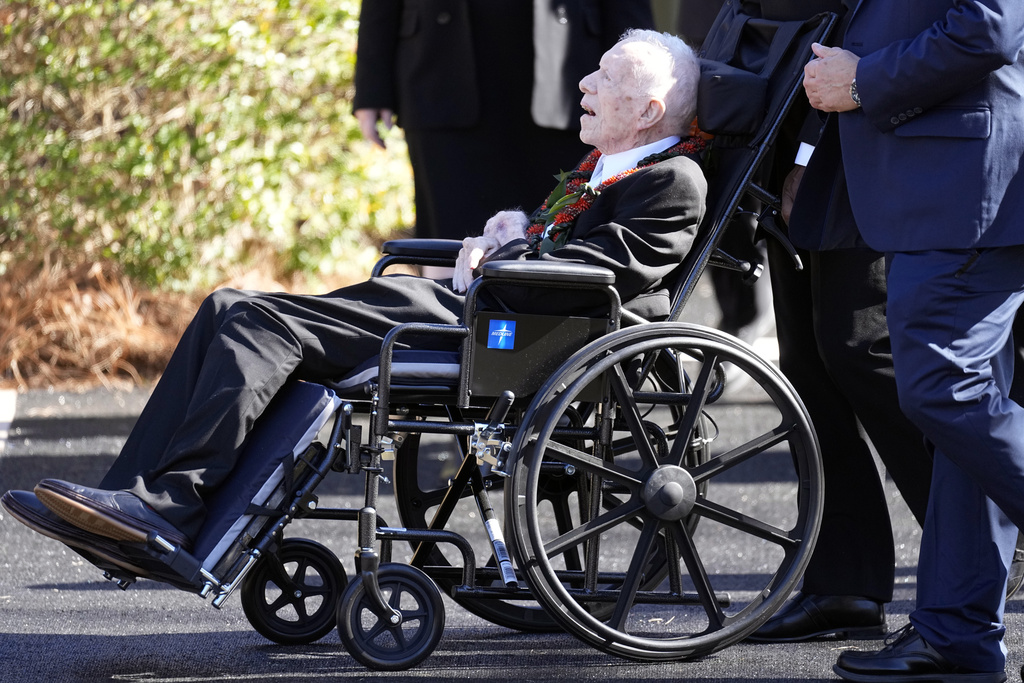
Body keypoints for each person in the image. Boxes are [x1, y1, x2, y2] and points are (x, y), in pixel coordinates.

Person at [1, 30, 708, 576]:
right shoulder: (611, 168)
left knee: (257, 323)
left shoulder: (671, 179)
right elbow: (574, 249)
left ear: (646, 110)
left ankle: (169, 505)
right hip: (485, 313)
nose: (585, 81)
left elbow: (598, 272)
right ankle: (129, 504)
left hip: (510, 337)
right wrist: (518, 232)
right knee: (227, 307)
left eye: (607, 78)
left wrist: (503, 256)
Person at [791, 0, 1024, 680]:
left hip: (967, 186)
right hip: (944, 183)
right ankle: (956, 633)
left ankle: (957, 630)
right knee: (963, 414)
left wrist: (865, 81)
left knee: (944, 390)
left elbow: (990, 26)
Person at [352, 1, 654, 243]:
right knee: (450, 236)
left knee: (554, 237)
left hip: (567, 75)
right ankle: (444, 317)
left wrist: (640, 85)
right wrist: (372, 87)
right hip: (438, 72)